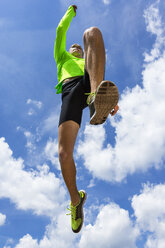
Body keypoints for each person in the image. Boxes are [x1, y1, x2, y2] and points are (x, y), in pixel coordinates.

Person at [54, 5, 119, 233]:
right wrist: (70, 12)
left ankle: (95, 99)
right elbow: (61, 31)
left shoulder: (86, 61)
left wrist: (106, 98)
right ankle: (75, 200)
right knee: (63, 154)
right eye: (72, 48)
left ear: (83, 54)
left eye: (78, 48)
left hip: (88, 82)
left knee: (91, 33)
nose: (75, 48)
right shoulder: (61, 58)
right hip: (70, 93)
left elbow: (95, 61)